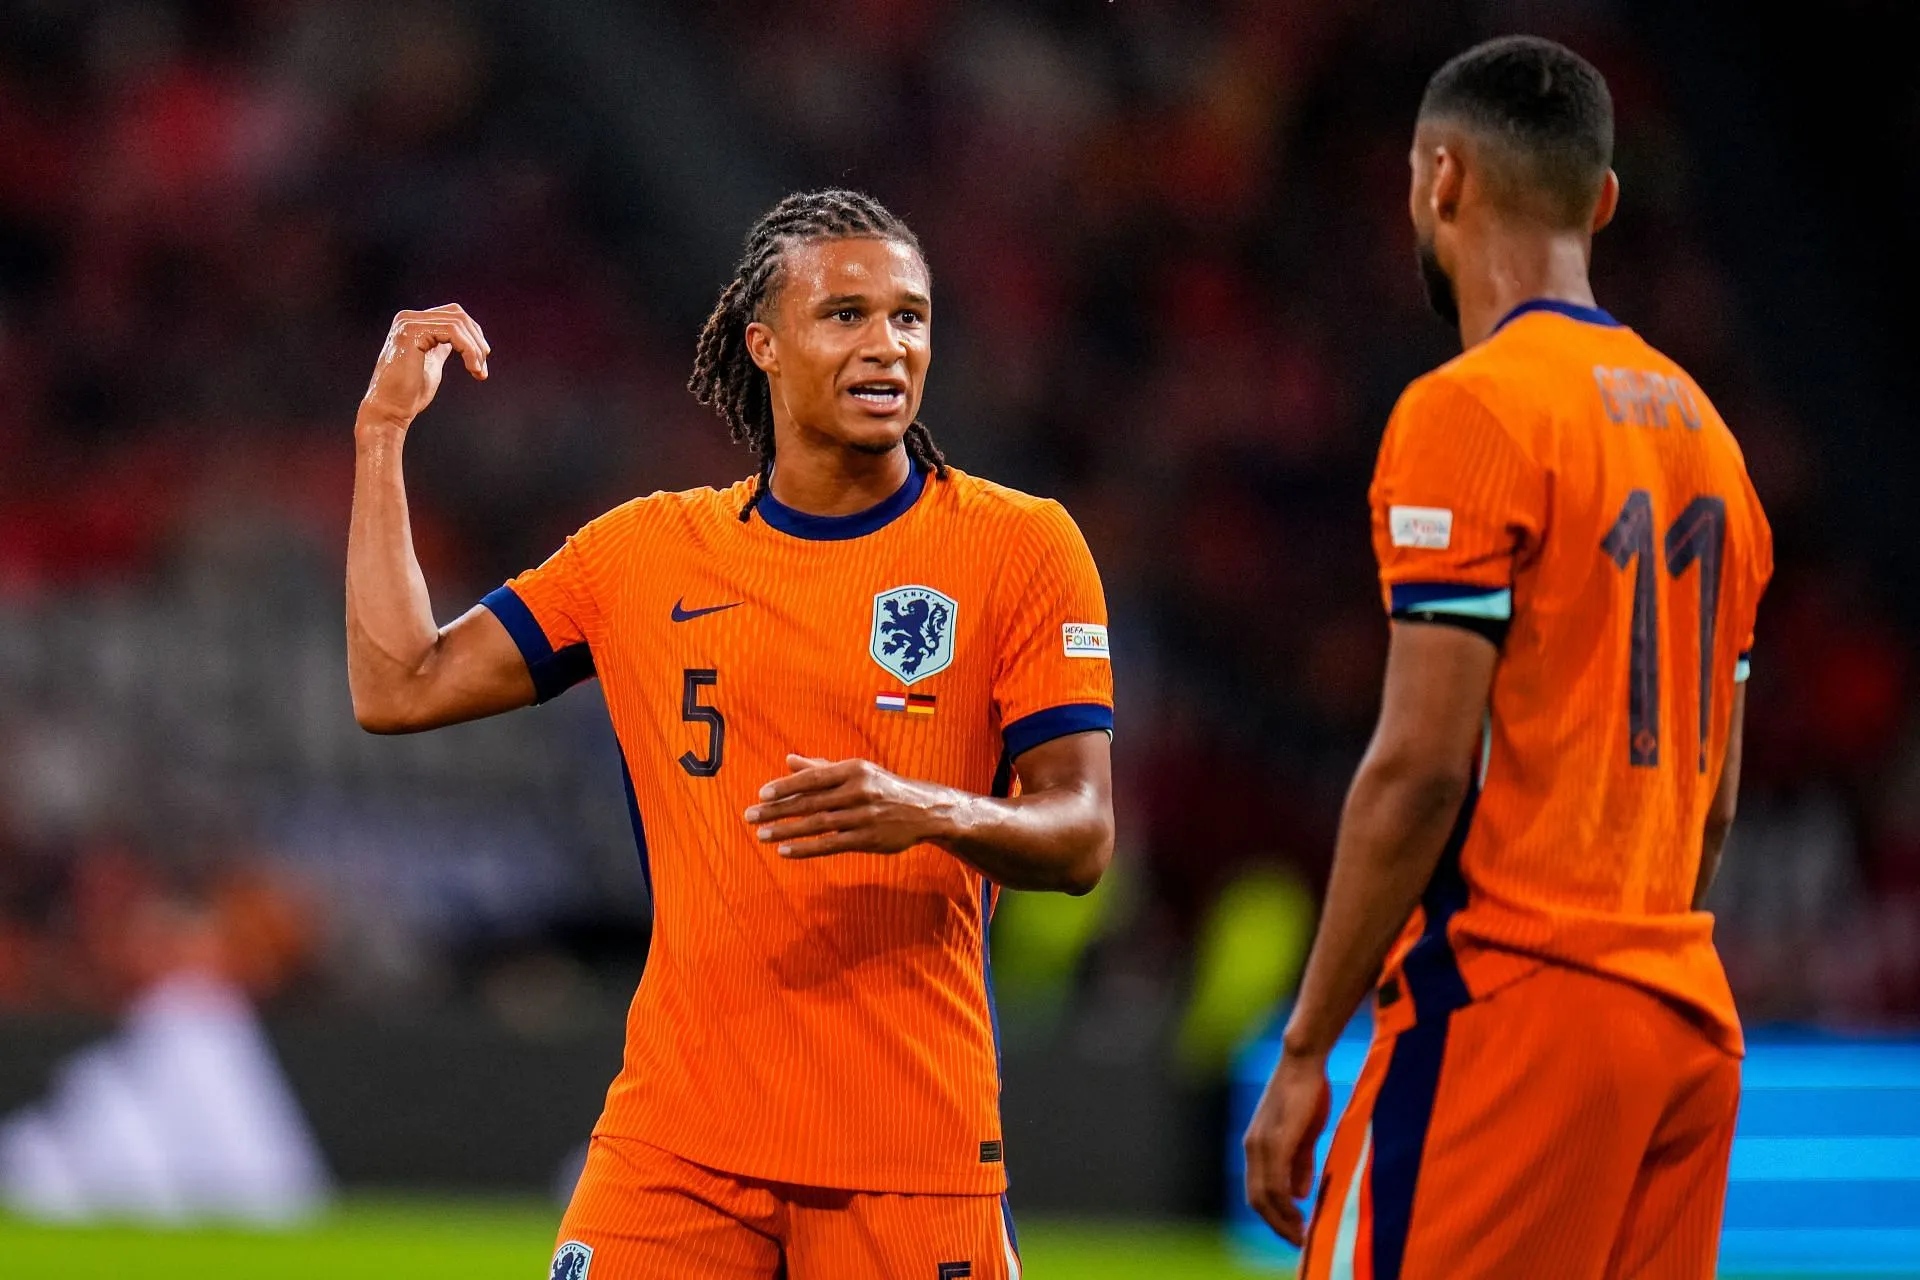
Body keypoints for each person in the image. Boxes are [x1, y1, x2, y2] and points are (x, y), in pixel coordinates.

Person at [344, 189, 1116, 1279]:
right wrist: (381, 435)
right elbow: (399, 685)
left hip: (907, 1145)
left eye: (911, 316)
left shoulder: (1018, 546)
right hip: (677, 1143)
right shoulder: (646, 554)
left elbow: (1081, 834)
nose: (886, 344)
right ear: (763, 343)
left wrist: (921, 808)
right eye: (844, 314)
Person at [1242, 36, 1771, 1280]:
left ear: (1440, 180)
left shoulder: (1469, 408)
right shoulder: (1715, 442)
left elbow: (1420, 765)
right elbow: (1719, 798)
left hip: (1514, 1005)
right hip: (1683, 1020)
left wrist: (1310, 1041)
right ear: (1602, 202)